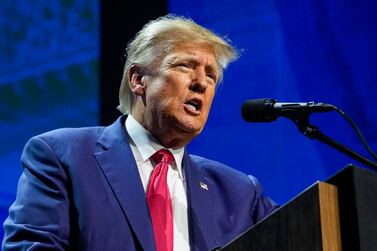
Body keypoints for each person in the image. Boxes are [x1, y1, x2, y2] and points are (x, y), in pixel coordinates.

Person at [2, 15, 278, 251]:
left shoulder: (240, 193)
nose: (201, 84)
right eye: (185, 66)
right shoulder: (63, 156)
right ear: (137, 79)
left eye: (211, 76)